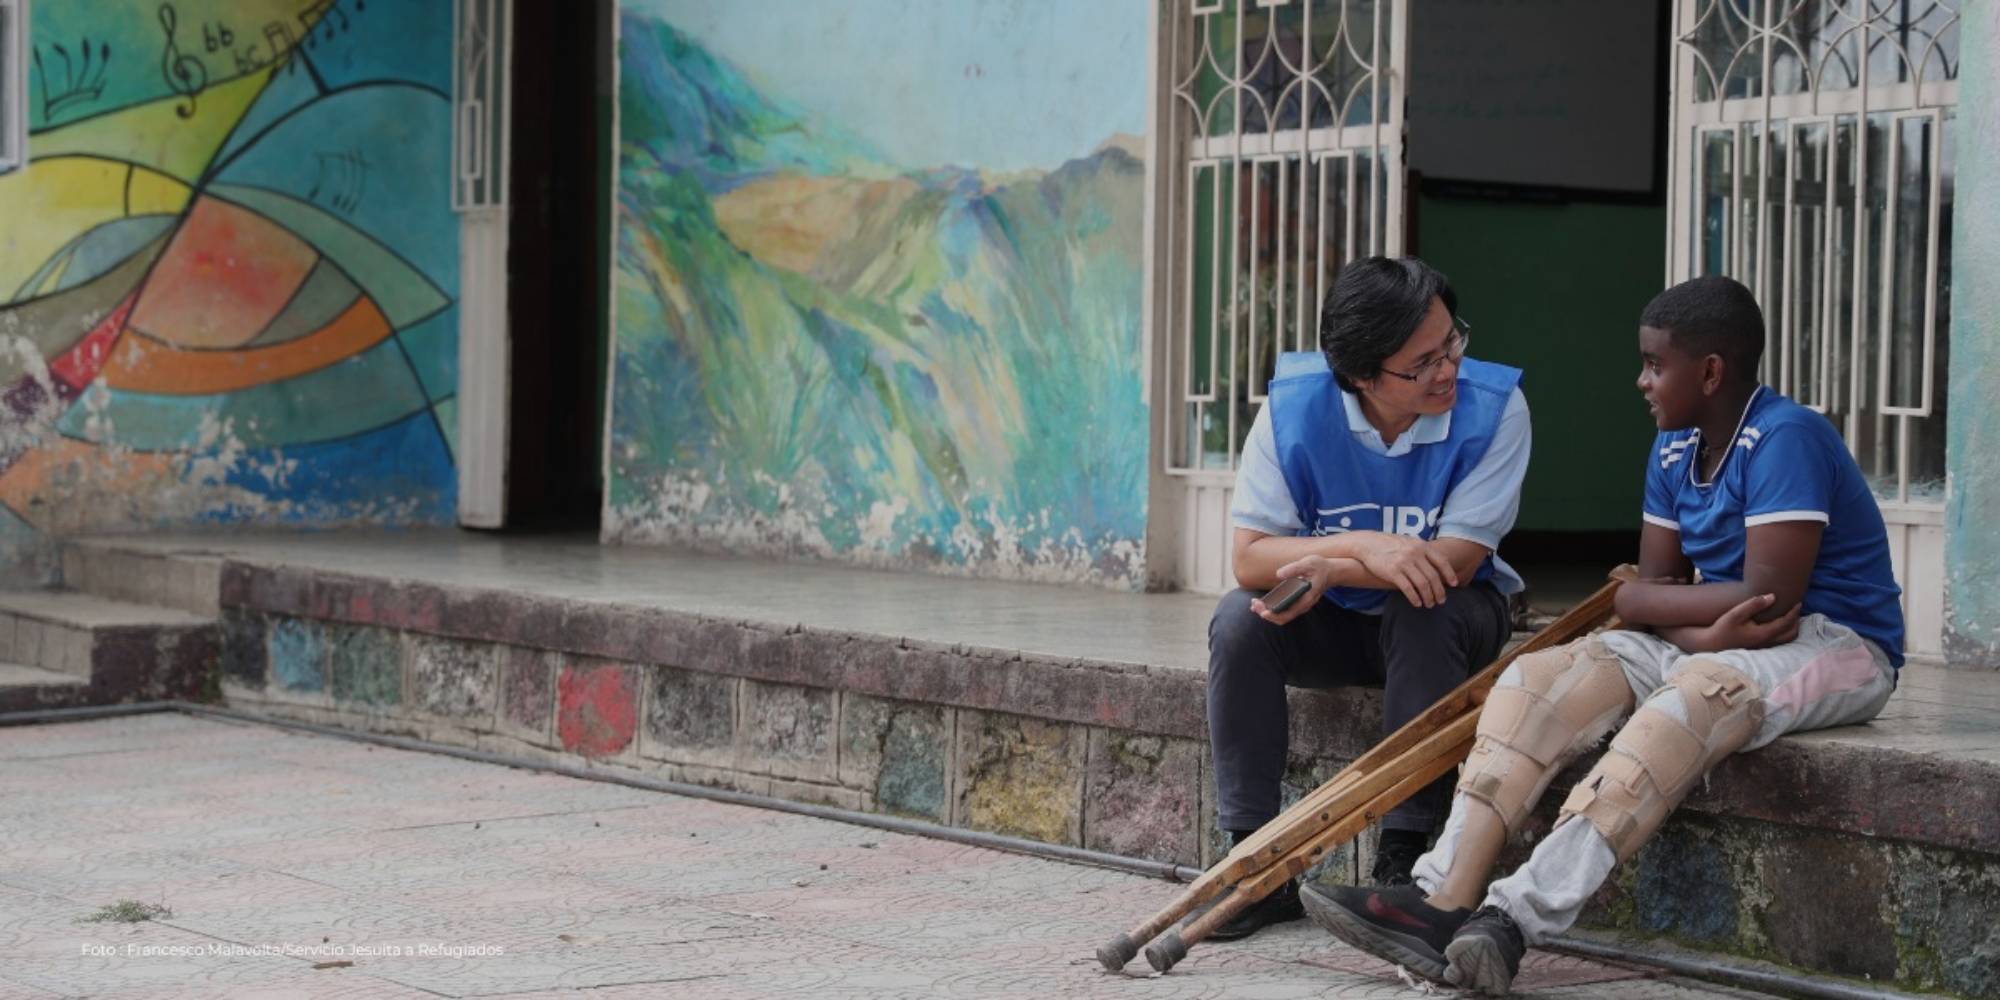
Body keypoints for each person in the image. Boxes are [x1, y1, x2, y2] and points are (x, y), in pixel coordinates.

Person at [1299, 274, 1904, 994]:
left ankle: (1513, 920)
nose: (1641, 380)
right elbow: (1643, 597)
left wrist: (1674, 616)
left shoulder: (1786, 437)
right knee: (1535, 680)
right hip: (1714, 638)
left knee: (1688, 701)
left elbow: (1768, 602)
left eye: (1655, 364)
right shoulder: (1676, 448)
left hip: (1834, 645)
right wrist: (1682, 619)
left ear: (1710, 372)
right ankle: (1441, 899)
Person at [1202, 256, 1532, 940]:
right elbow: (1248, 560)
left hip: (1450, 624)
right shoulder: (1294, 407)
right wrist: (1361, 550)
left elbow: (1457, 562)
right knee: (1240, 620)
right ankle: (1254, 863)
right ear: (1361, 376)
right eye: (1422, 364)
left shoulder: (1495, 407)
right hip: (1341, 627)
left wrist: (1337, 560)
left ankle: (1404, 865)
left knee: (1424, 602)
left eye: (1452, 344)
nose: (1448, 370)